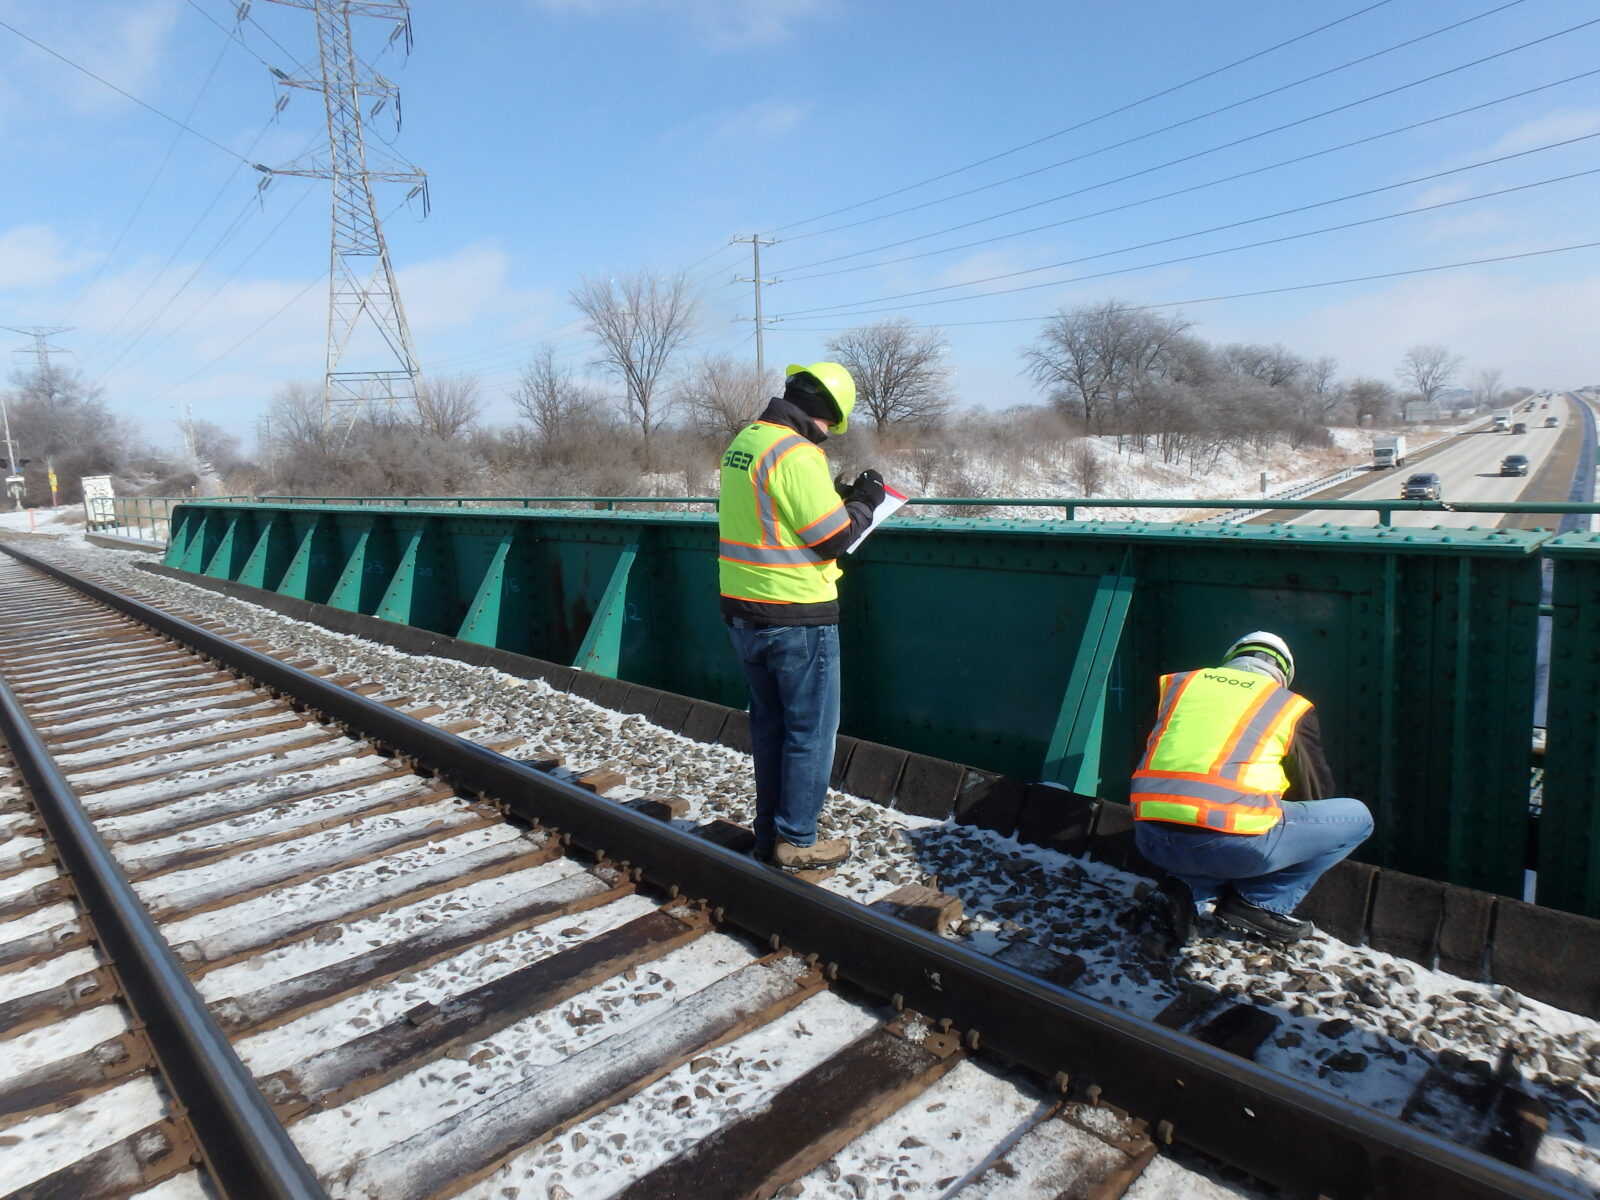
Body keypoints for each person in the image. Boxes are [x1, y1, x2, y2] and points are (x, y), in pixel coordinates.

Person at [717, 362, 885, 870]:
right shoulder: (797, 453)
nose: (831, 435)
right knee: (810, 732)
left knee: (771, 728)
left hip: (743, 610)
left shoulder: (747, 440)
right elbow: (834, 537)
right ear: (824, 416)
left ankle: (769, 833)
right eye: (833, 425)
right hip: (796, 614)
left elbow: (774, 515)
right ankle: (798, 840)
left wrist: (831, 496)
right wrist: (865, 500)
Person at [1131, 631, 1373, 945]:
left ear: (1232, 658)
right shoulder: (1289, 705)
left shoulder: (1179, 685)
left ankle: (1182, 891)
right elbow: (1315, 789)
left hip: (1149, 840)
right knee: (1358, 817)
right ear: (1283, 673)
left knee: (1210, 821)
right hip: (1233, 849)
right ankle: (1258, 902)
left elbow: (1147, 754)